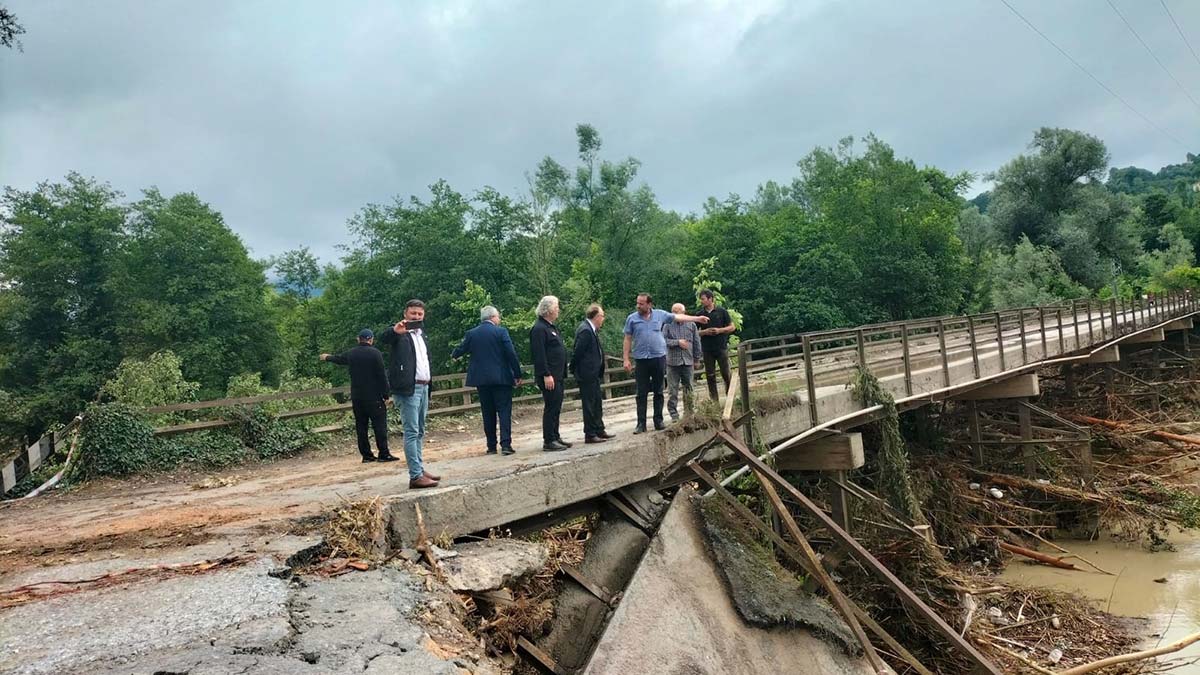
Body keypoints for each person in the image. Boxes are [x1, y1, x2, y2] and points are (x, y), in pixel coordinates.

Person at [622, 293, 709, 433]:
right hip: (641, 359)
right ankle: (641, 423)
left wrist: (698, 318)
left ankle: (658, 421)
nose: (638, 306)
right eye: (637, 303)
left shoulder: (660, 315)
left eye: (641, 303)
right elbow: (627, 338)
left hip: (658, 358)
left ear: (649, 304)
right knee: (641, 392)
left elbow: (679, 317)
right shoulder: (632, 319)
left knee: (659, 391)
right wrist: (626, 358)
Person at [378, 299, 441, 489]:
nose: (416, 317)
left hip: (423, 387)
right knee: (412, 432)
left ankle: (419, 469)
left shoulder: (422, 335)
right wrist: (394, 331)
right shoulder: (399, 333)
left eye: (420, 314)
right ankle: (415, 476)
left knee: (420, 430)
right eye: (413, 313)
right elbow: (383, 338)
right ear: (406, 313)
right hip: (408, 389)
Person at [451, 306, 523, 456]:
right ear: (493, 317)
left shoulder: (472, 333)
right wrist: (517, 373)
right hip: (501, 378)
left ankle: (491, 446)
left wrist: (454, 354)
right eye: (498, 316)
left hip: (481, 380)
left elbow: (461, 349)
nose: (499, 319)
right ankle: (506, 444)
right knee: (504, 411)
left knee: (487, 412)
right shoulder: (501, 332)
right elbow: (511, 353)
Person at [320, 329, 396, 463]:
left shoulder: (352, 353)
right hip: (374, 396)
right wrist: (386, 394)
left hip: (357, 397)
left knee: (361, 427)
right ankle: (383, 453)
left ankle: (366, 455)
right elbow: (381, 375)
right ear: (371, 339)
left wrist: (327, 357)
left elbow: (339, 359)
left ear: (358, 339)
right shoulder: (375, 354)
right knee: (379, 426)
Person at [530, 295, 570, 451]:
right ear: (547, 310)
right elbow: (539, 355)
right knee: (551, 407)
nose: (558, 310)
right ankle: (548, 440)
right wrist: (546, 374)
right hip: (549, 376)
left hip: (558, 375)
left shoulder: (551, 327)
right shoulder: (539, 329)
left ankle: (555, 435)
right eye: (556, 307)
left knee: (557, 406)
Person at [571, 303, 615, 444]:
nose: (603, 319)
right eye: (602, 316)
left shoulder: (592, 329)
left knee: (596, 402)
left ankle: (598, 429)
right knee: (589, 404)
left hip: (594, 373)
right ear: (596, 316)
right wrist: (574, 369)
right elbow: (578, 352)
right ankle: (590, 433)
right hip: (587, 374)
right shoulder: (585, 330)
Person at [663, 303, 703, 422]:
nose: (676, 314)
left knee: (689, 388)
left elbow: (697, 342)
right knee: (673, 390)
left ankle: (689, 412)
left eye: (678, 312)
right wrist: (677, 342)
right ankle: (674, 415)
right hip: (672, 363)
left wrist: (697, 359)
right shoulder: (667, 325)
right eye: (674, 312)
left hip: (688, 361)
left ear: (684, 313)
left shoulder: (691, 325)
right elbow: (662, 340)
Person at [697, 289, 736, 401]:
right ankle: (714, 400)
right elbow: (693, 332)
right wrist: (704, 332)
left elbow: (732, 327)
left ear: (710, 299)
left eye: (703, 299)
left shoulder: (721, 311)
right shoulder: (700, 315)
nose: (701, 301)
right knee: (710, 375)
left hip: (721, 347)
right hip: (707, 349)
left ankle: (730, 396)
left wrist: (720, 330)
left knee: (725, 373)